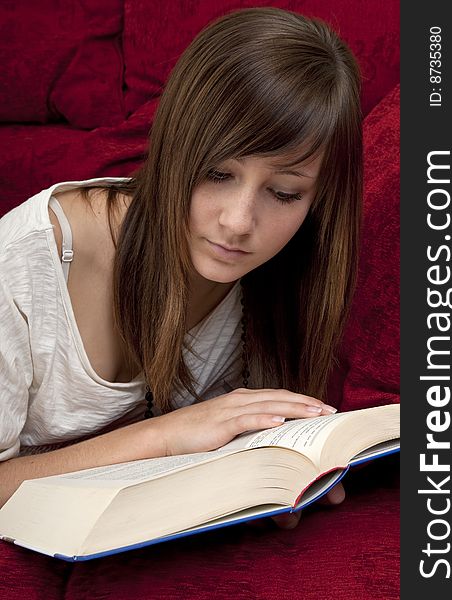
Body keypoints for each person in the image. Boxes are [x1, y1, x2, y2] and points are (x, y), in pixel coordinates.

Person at [0, 7, 362, 527]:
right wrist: (165, 436)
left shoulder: (276, 278)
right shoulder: (31, 258)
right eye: (217, 173)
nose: (238, 222)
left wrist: (273, 471)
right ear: (174, 145)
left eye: (284, 193)